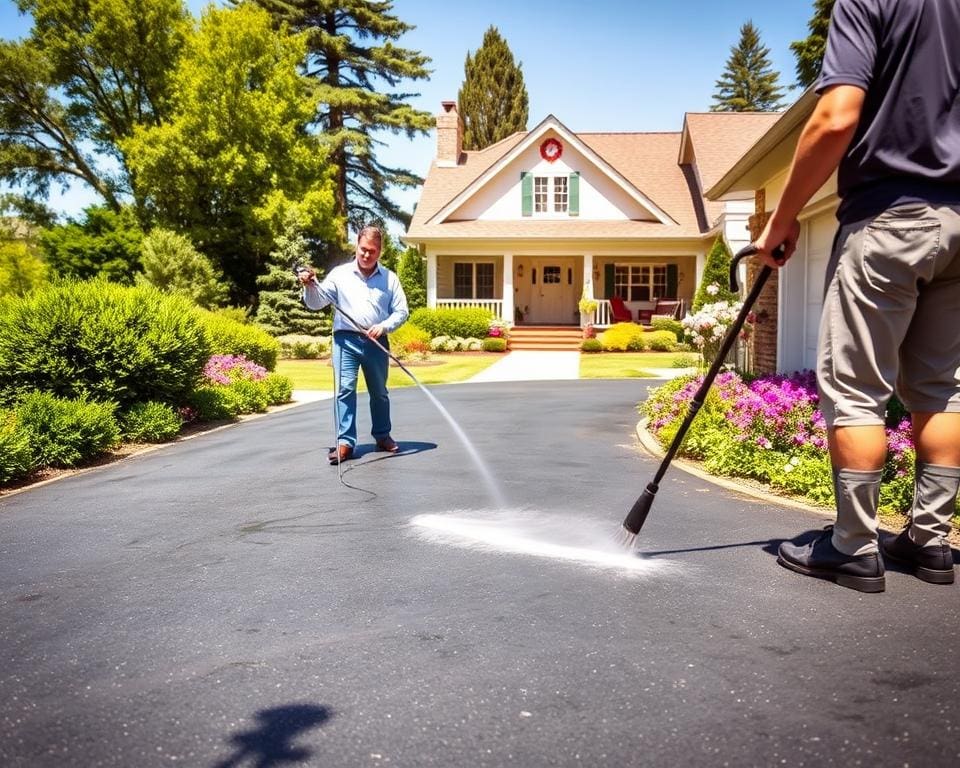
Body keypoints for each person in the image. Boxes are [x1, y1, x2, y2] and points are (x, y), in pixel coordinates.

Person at [755, 0, 960, 593]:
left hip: (888, 219)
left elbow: (835, 117)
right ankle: (931, 540)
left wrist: (784, 217)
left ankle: (853, 545)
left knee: (855, 389)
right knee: (942, 388)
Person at [297, 226, 409, 464]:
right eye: (363, 249)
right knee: (344, 390)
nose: (367, 255)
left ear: (380, 252)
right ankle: (345, 442)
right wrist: (308, 285)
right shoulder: (339, 274)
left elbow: (402, 311)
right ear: (356, 246)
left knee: (379, 392)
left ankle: (382, 435)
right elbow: (317, 302)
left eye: (373, 251)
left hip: (376, 341)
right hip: (345, 341)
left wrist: (384, 326)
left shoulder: (390, 278)